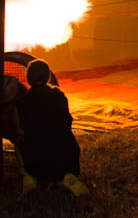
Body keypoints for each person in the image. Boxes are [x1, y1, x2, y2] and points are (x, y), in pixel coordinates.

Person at [14, 59, 88, 196]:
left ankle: (30, 178)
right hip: (67, 160)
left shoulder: (21, 103)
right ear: (48, 76)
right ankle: (67, 178)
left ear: (28, 78)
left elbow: (20, 130)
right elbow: (67, 123)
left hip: (37, 163)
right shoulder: (60, 97)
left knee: (18, 143)